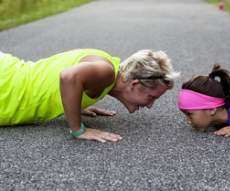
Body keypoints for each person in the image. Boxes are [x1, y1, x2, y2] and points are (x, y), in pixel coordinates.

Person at [0, 48, 179, 142]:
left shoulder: (106, 70)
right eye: (152, 97)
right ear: (135, 84)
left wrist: (74, 104)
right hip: (7, 87)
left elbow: (64, 78)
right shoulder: (106, 71)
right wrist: (78, 129)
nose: (150, 105)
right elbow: (68, 77)